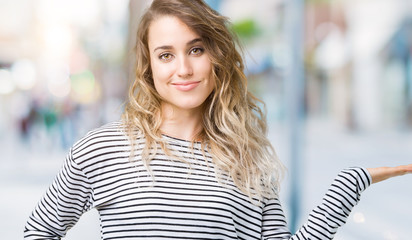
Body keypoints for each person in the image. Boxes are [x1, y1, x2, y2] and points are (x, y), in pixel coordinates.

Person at [24, 0, 412, 239]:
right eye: (165, 54)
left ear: (217, 57)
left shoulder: (249, 162)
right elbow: (38, 232)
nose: (184, 68)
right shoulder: (102, 149)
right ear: (149, 68)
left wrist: (346, 188)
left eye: (196, 49)